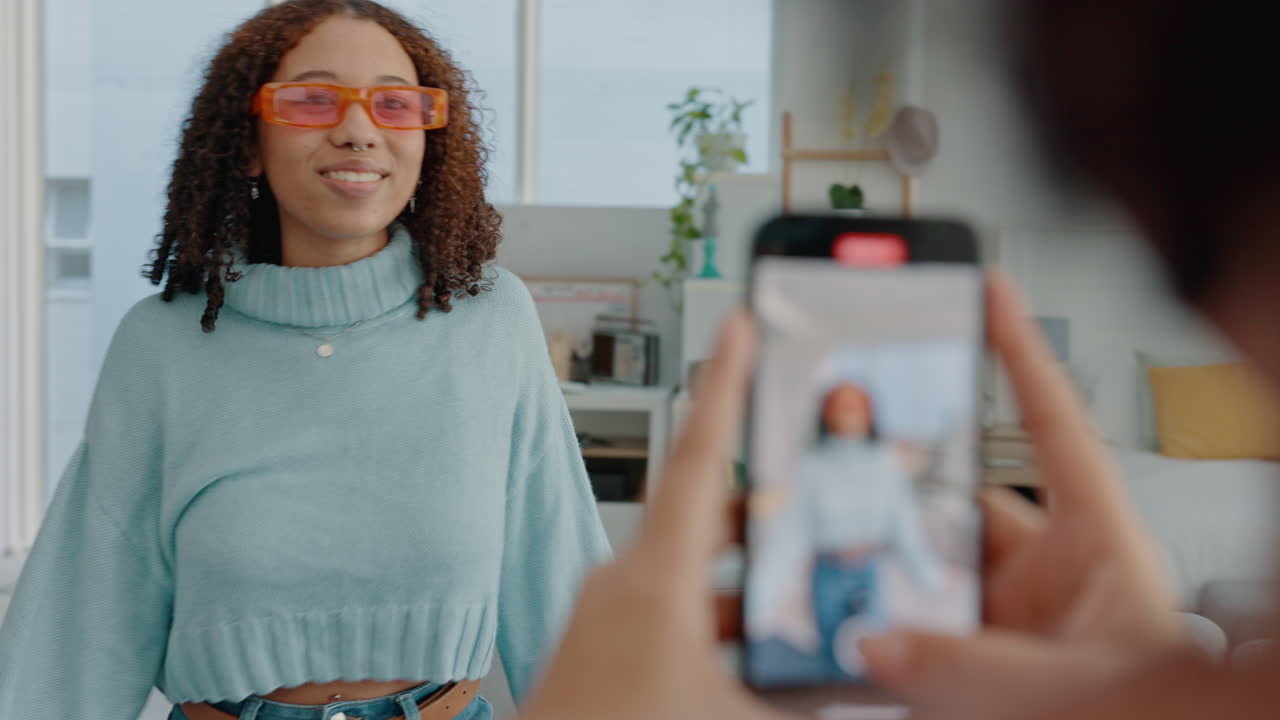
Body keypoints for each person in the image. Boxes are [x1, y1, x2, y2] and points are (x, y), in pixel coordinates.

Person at [508, 1, 1280, 717]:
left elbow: (907, 533)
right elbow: (787, 512)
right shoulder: (820, 462)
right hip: (821, 569)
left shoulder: (890, 462)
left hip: (868, 569)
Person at [0, 2, 610, 719]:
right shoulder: (162, 344)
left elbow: (561, 575)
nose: (359, 131)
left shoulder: (491, 318)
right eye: (314, 100)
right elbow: (83, 618)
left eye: (394, 104)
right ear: (249, 142)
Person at [764, 381, 944, 681]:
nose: (849, 413)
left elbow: (904, 525)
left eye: (856, 405)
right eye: (841, 405)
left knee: (872, 657)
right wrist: (763, 595)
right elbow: (791, 534)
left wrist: (929, 575)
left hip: (868, 570)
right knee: (831, 658)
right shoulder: (812, 465)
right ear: (826, 413)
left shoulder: (885, 462)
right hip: (827, 572)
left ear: (870, 414)